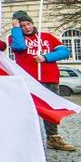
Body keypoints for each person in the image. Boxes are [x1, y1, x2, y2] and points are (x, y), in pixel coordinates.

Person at [8, 11, 76, 151]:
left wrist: (46, 57)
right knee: (26, 109)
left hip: (49, 77)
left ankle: (53, 138)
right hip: (28, 80)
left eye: (28, 24)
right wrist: (15, 28)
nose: (27, 27)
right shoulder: (14, 37)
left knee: (50, 109)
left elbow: (64, 52)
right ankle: (24, 138)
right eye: (22, 26)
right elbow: (19, 47)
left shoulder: (46, 37)